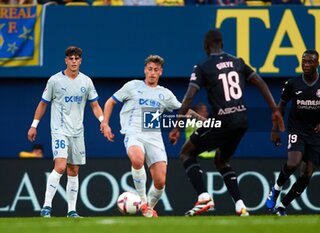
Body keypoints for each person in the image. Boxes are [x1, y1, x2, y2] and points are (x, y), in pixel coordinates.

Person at [169, 29, 285, 217]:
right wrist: (274, 110)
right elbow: (261, 83)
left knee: (186, 153)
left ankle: (204, 197)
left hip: (221, 120)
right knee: (221, 160)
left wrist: (176, 126)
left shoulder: (203, 66)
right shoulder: (238, 62)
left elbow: (189, 96)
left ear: (206, 47)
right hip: (241, 120)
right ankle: (240, 205)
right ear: (222, 44)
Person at [27, 46, 104, 218]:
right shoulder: (55, 80)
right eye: (71, 58)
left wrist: (102, 121)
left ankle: (71, 210)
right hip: (59, 130)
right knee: (60, 166)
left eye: (77, 58)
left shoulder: (86, 82)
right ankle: (46, 207)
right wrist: (34, 125)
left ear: (81, 60)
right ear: (66, 60)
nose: (74, 61)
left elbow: (95, 105)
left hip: (77, 132)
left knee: (73, 170)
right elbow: (43, 103)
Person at [101, 55, 181, 218]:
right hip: (134, 133)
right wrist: (105, 123)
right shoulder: (132, 86)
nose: (152, 73)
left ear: (161, 72)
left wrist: (178, 128)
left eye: (156, 70)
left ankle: (149, 208)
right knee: (137, 160)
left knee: (160, 181)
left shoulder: (165, 94)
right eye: (150, 69)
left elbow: (183, 109)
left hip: (154, 138)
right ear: (145, 70)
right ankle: (143, 202)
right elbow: (110, 102)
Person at [265, 49, 320, 216]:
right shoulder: (292, 83)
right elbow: (281, 107)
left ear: (317, 63)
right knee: (293, 163)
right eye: (304, 61)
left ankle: (282, 206)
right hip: (297, 128)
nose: (306, 65)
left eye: (310, 61)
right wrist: (274, 130)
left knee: (307, 174)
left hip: (316, 132)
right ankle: (276, 189)